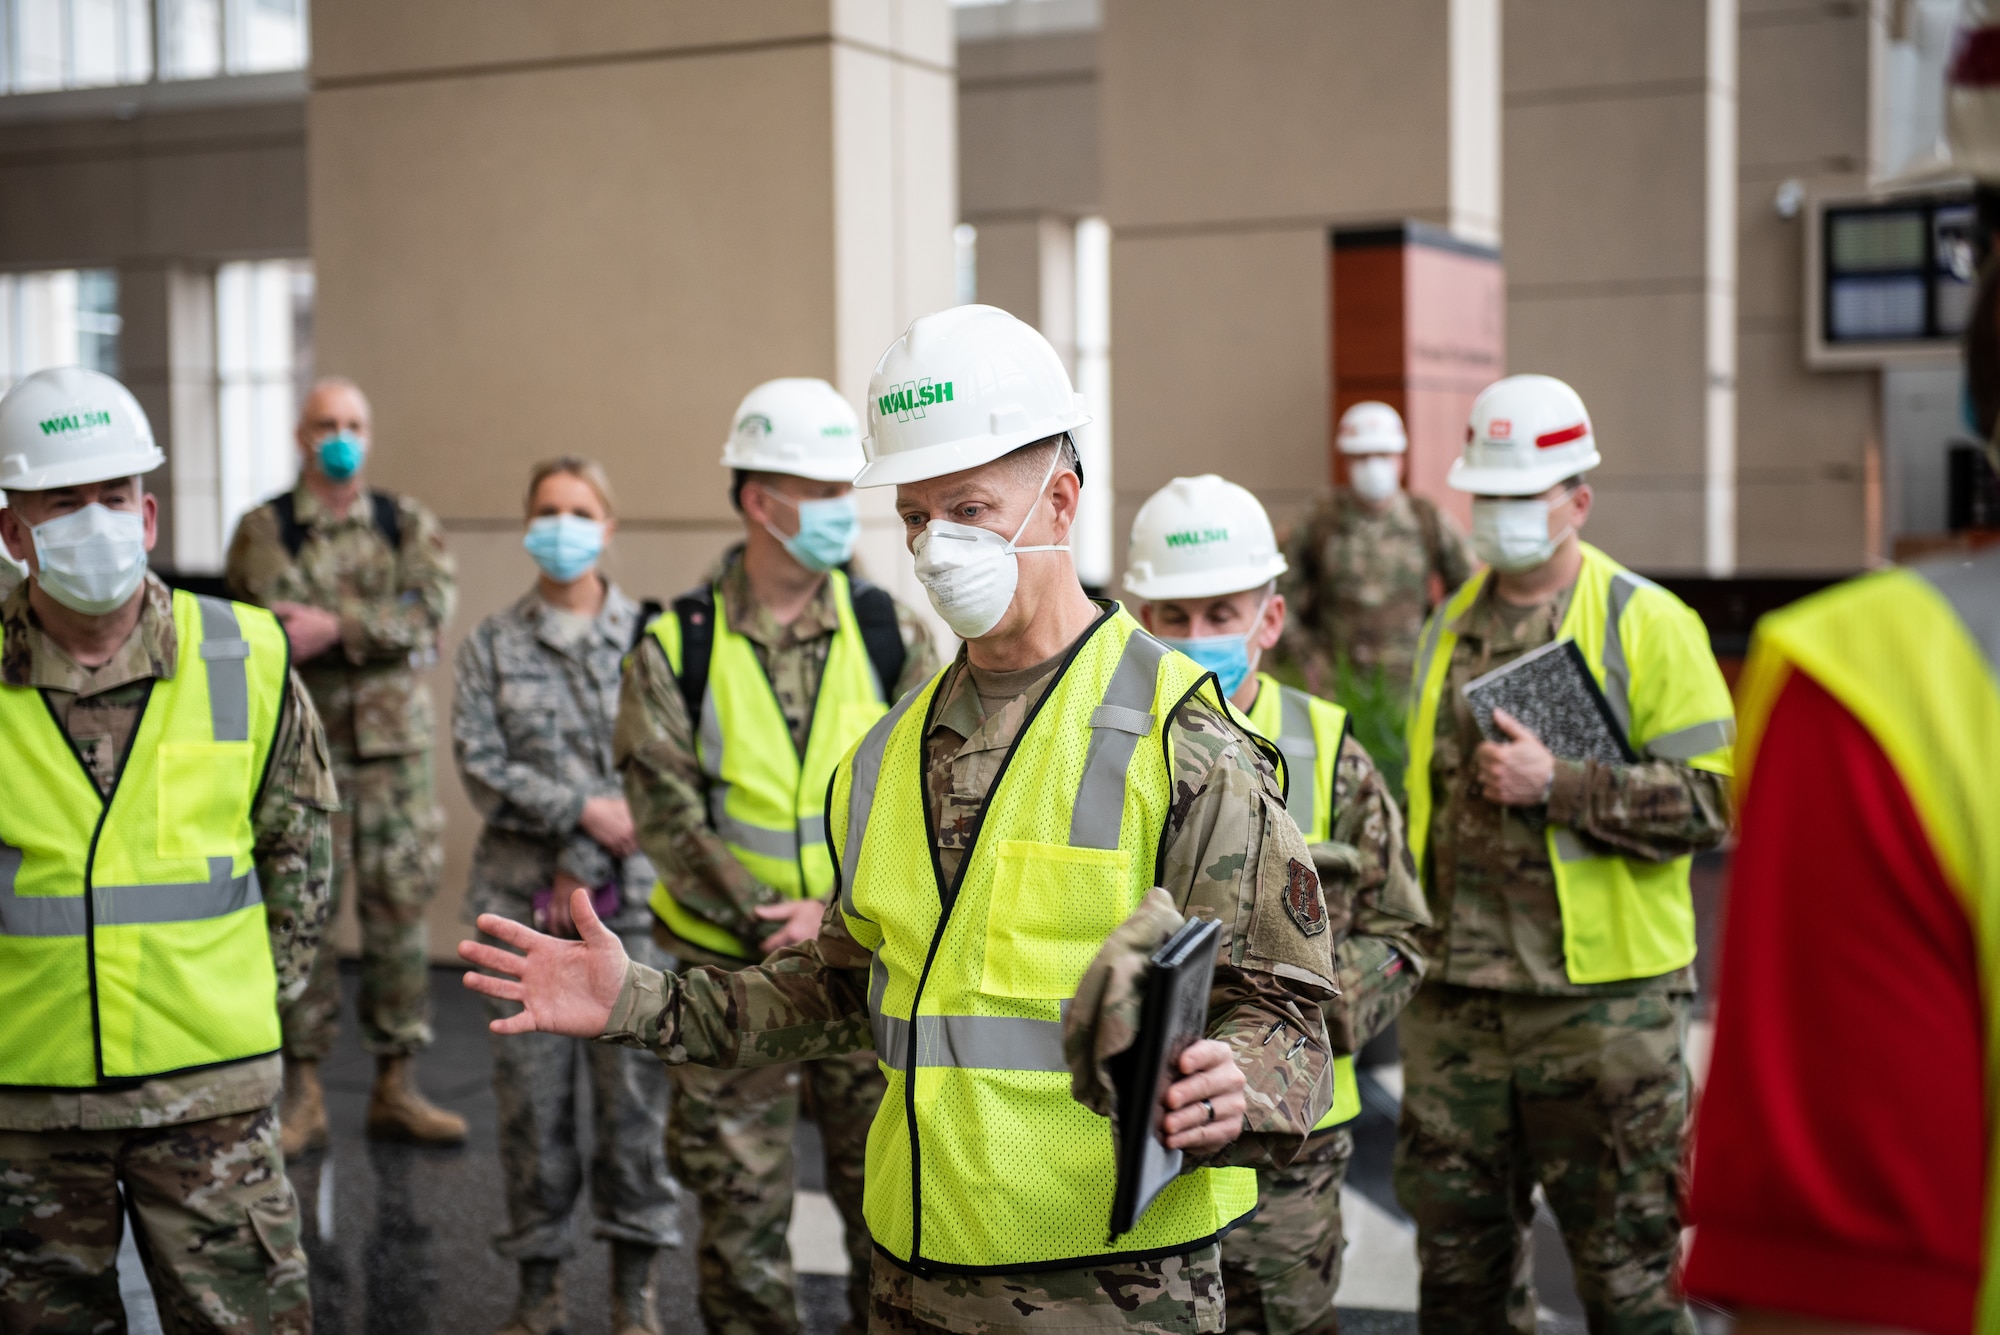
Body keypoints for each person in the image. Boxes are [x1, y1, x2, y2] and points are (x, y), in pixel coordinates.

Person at [463, 304, 1341, 1335]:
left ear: (1058, 502)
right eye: (916, 518)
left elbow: (1287, 1012)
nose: (935, 547)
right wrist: (643, 1002)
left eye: (968, 508)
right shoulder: (886, 754)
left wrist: (1232, 1082)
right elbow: (844, 986)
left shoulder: (1177, 735)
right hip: (909, 1277)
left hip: (1108, 1292)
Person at [1395, 374, 1735, 1334]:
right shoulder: (1448, 624)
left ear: (1576, 502)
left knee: (1628, 1284)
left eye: (1520, 496)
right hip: (1460, 1004)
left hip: (1604, 1010)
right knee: (1459, 1283)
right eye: (1486, 495)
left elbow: (1716, 800)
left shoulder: (1648, 623)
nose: (1497, 516)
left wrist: (1564, 783)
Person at [0, 366, 336, 1333]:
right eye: (65, 502)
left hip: (210, 1092)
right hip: (27, 1099)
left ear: (148, 517)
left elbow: (301, 859)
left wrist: (239, 1003)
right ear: (15, 534)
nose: (95, 522)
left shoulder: (247, 650)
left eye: (114, 498)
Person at [614, 377, 936, 1335]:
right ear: (761, 501)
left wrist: (833, 910)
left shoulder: (891, 632)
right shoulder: (677, 645)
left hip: (860, 968)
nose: (845, 511)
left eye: (849, 490)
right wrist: (769, 909)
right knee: (740, 1223)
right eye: (823, 490)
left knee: (892, 1211)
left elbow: (924, 799)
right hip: (726, 975)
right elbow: (666, 813)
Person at [1125, 473, 1429, 1335]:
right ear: (1135, 617)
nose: (1195, 636)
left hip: (1289, 1146)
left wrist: (1299, 1034)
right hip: (1142, 1128)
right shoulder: (1100, 754)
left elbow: (1401, 934)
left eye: (1221, 614)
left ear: (1269, 620)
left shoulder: (1330, 752)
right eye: (1171, 617)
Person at [453, 457, 684, 1335]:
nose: (562, 524)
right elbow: (481, 762)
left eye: (579, 510)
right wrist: (583, 811)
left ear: (609, 525)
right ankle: (538, 1296)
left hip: (628, 912)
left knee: (634, 1110)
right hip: (523, 915)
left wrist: (586, 841)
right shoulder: (490, 643)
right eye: (546, 509)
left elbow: (667, 762)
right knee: (530, 1111)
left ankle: (636, 1298)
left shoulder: (652, 639)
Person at [226, 375, 466, 1153]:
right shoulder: (265, 528)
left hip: (396, 758)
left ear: (369, 433)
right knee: (305, 916)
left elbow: (429, 612)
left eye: (353, 422)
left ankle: (397, 1085)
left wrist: (336, 625)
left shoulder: (406, 523)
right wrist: (376, 626)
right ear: (300, 435)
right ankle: (304, 1091)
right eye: (325, 422)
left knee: (400, 917)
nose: (340, 434)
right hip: (305, 754)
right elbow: (270, 623)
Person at [1280, 401, 1476, 692]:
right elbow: (1280, 595)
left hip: (1412, 682)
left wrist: (1447, 654)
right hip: (1335, 685)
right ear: (1346, 461)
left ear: (1401, 460)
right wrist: (1305, 661)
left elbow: (1468, 592)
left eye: (1383, 455)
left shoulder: (1426, 518)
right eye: (1362, 457)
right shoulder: (1319, 519)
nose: (1373, 466)